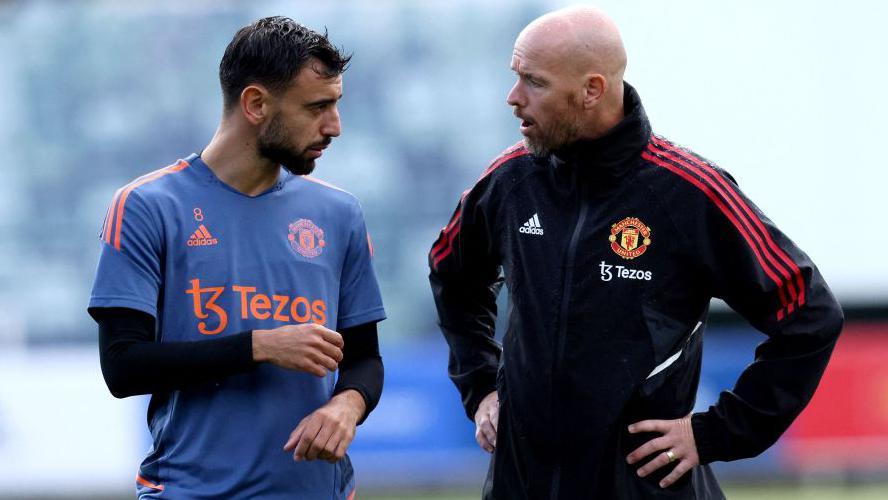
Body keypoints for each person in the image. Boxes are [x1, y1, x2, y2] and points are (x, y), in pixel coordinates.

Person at [428, 5, 843, 499]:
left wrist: (716, 431)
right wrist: (481, 389)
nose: (513, 98)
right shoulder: (509, 181)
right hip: (522, 485)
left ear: (592, 90)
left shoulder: (689, 191)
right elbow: (452, 277)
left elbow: (810, 314)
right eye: (516, 78)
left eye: (533, 82)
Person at [88, 17, 385, 499]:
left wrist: (347, 405)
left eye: (336, 105)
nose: (334, 126)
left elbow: (364, 357)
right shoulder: (147, 206)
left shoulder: (339, 213)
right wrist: (259, 346)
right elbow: (124, 367)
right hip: (190, 490)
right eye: (317, 107)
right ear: (255, 103)